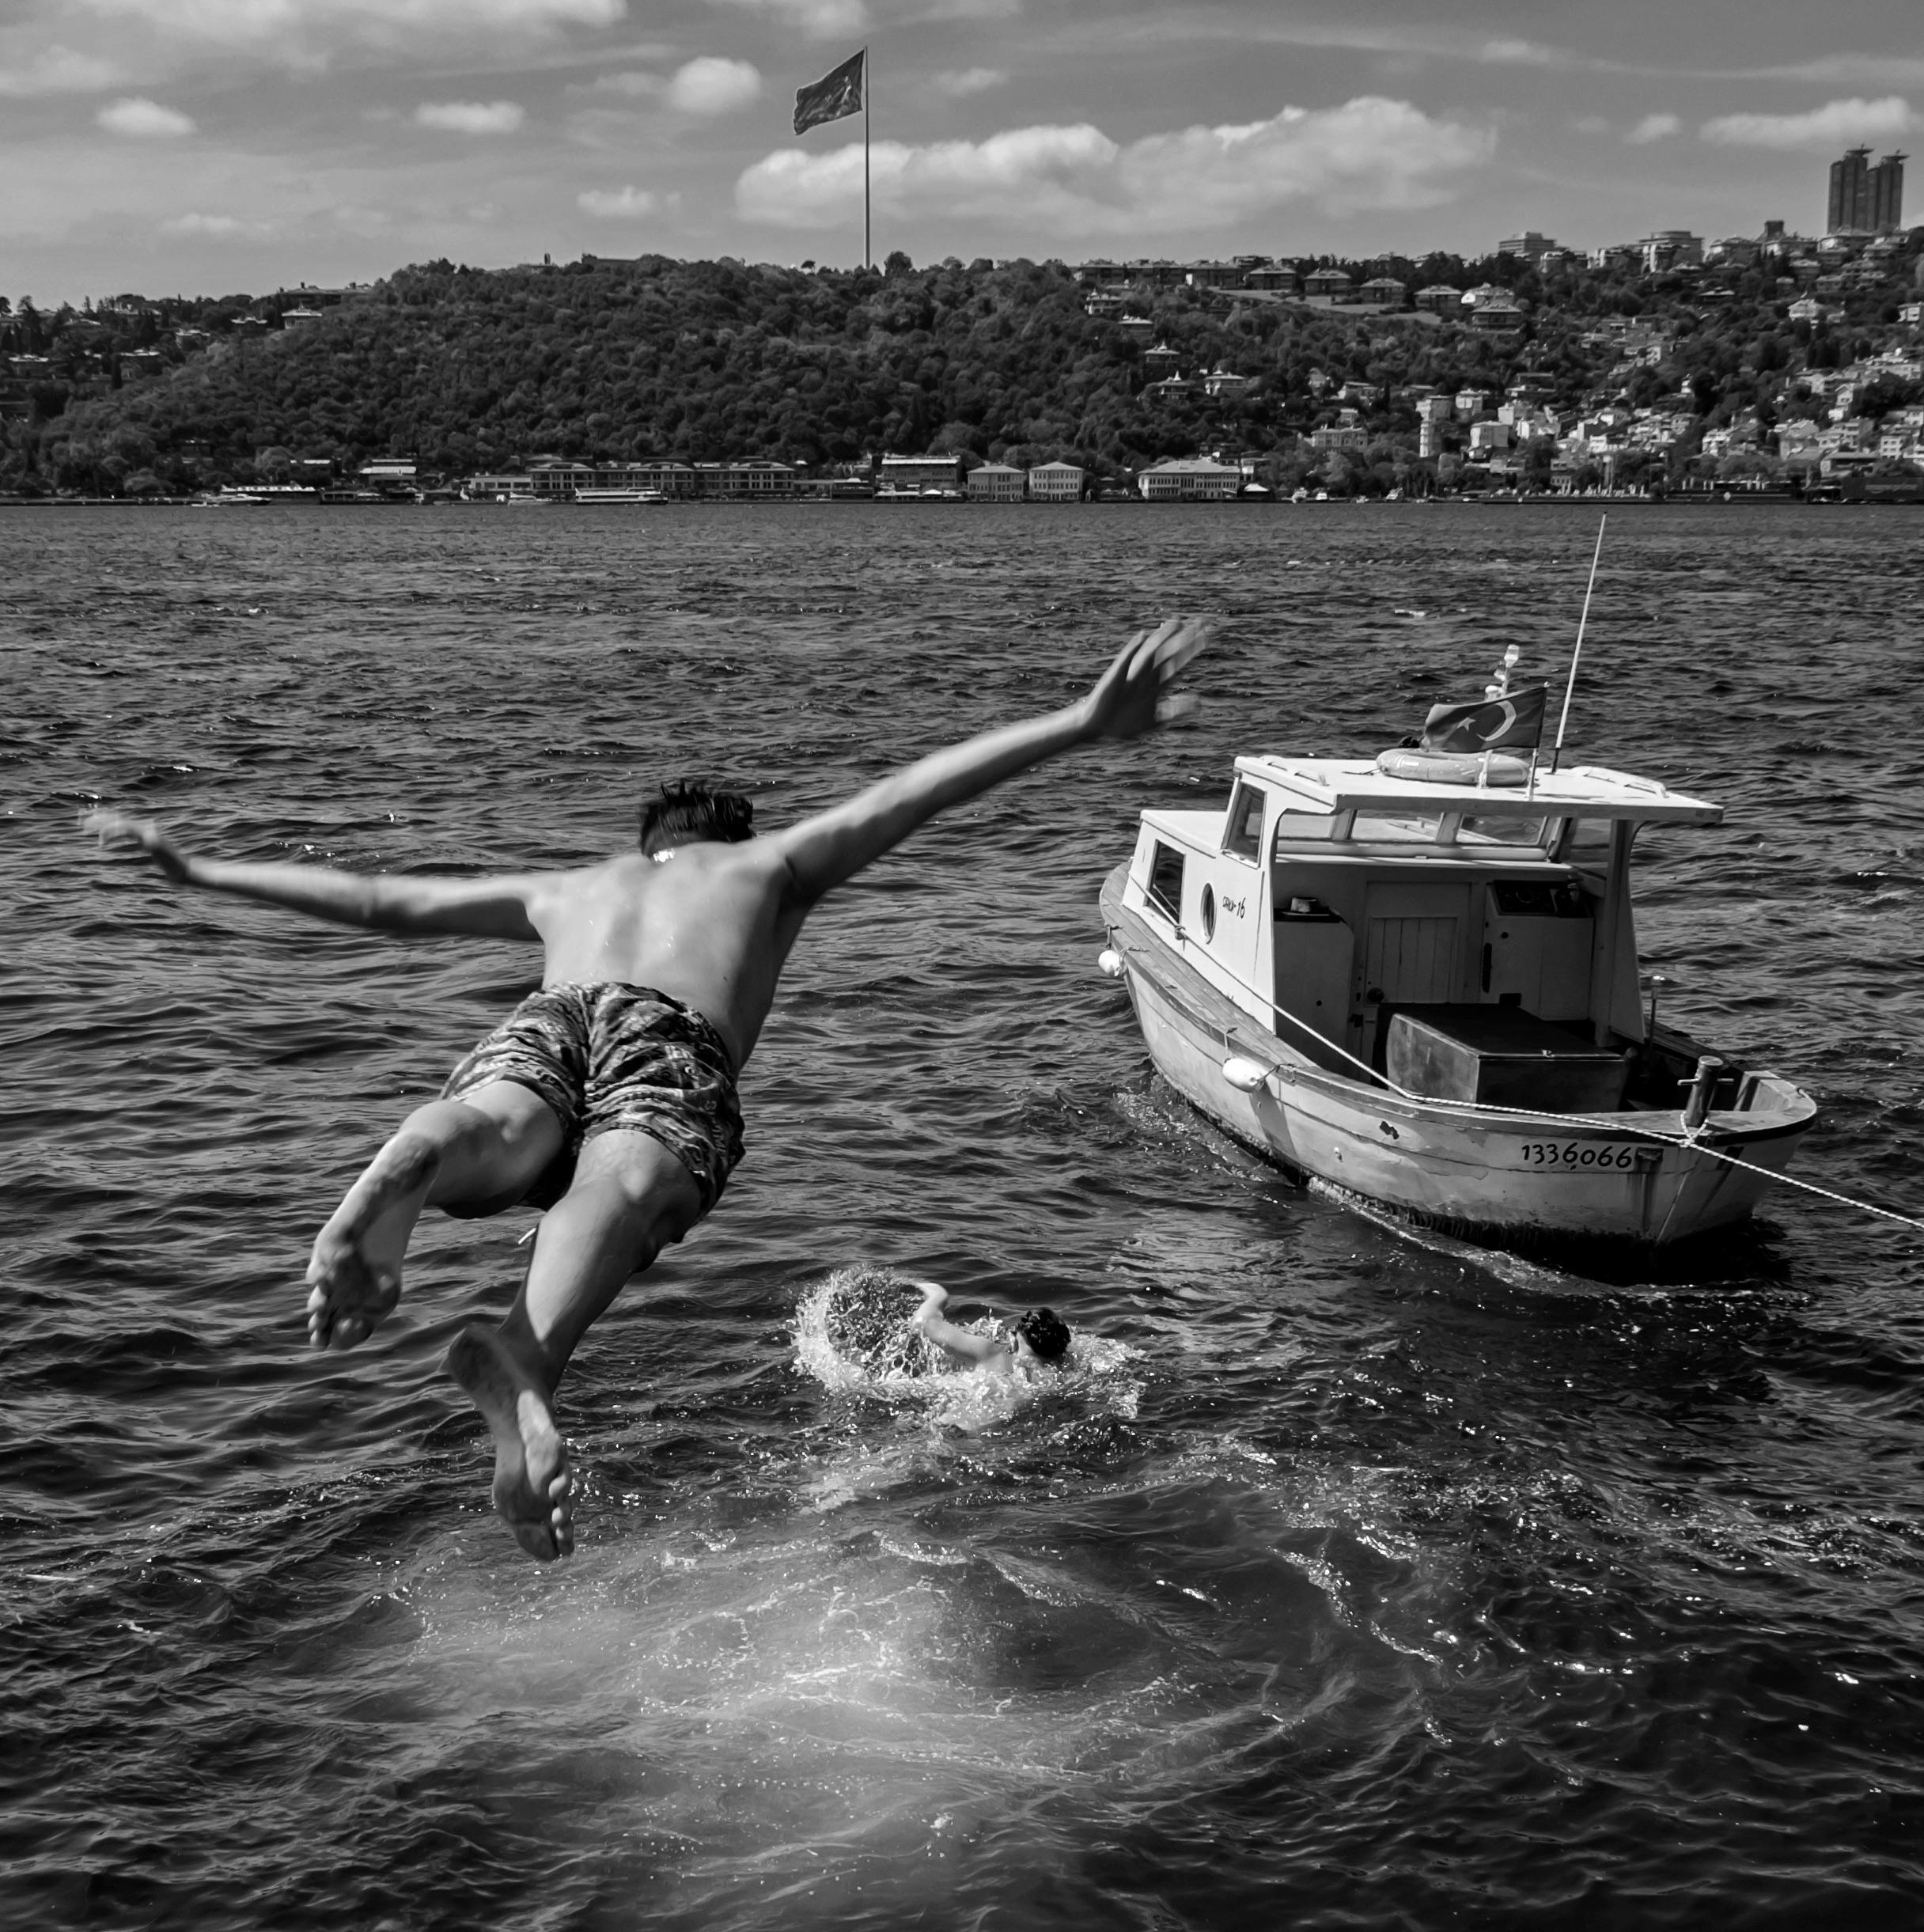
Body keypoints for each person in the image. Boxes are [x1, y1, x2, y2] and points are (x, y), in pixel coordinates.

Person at [86, 618, 1206, 1564]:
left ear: (642, 848)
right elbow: (913, 793)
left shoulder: (566, 890)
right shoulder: (766, 869)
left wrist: (197, 868)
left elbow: (383, 900)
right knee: (620, 1184)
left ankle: (419, 1154)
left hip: (555, 1012)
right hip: (670, 1044)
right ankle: (525, 1355)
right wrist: (1079, 722)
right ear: (727, 841)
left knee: (500, 1120)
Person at [910, 1281, 1072, 1377]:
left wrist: (938, 1295)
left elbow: (923, 1323)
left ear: (1014, 1340)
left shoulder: (991, 1354)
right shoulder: (1066, 1371)